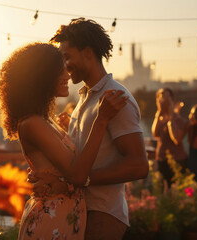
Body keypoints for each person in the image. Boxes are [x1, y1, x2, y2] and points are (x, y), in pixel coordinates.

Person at [0, 42, 128, 240]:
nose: (67, 74)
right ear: (41, 77)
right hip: (51, 222)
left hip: (62, 219)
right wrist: (101, 119)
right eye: (59, 70)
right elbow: (77, 175)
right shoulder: (33, 123)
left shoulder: (45, 121)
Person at [48, 18, 149, 239]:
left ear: (88, 53)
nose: (64, 66)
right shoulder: (86, 98)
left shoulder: (115, 98)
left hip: (103, 215)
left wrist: (83, 179)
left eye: (67, 56)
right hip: (82, 212)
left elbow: (139, 165)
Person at [152, 87, 187, 187]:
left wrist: (171, 117)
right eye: (160, 98)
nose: (163, 102)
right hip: (162, 159)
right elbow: (155, 134)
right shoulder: (160, 118)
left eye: (166, 99)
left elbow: (177, 139)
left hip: (177, 161)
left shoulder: (178, 119)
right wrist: (159, 113)